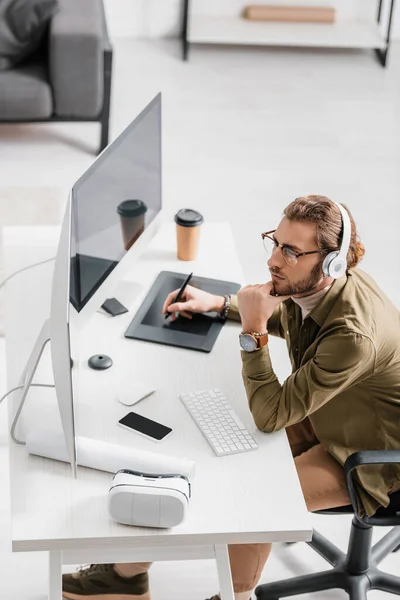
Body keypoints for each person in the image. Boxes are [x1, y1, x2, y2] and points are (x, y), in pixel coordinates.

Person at [62, 195, 400, 600]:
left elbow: (270, 414)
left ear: (331, 262)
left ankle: (234, 596)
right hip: (329, 410)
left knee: (254, 500)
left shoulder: (353, 335)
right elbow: (291, 313)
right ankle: (125, 576)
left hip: (370, 456)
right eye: (275, 242)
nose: (274, 260)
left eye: (291, 251)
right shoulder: (316, 285)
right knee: (206, 455)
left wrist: (253, 333)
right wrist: (223, 305)